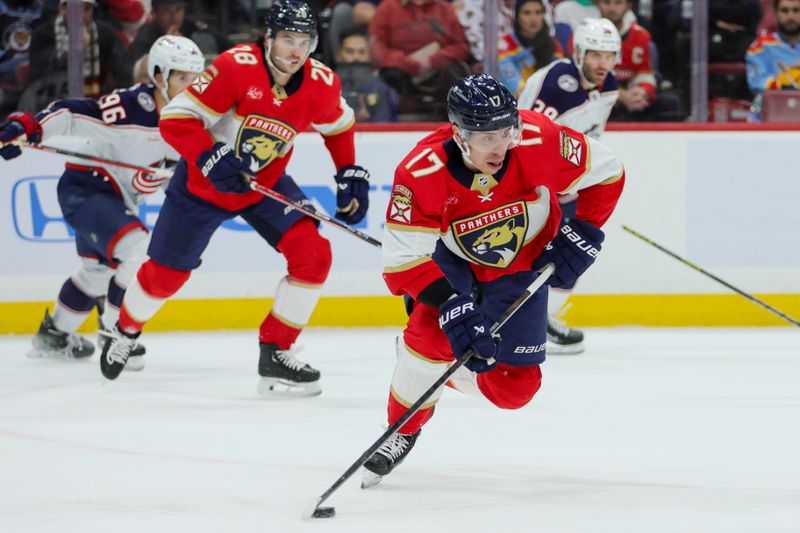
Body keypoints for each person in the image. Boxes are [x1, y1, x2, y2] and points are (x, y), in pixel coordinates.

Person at [97, 0, 370, 398]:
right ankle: (125, 330)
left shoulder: (321, 81)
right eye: (288, 40)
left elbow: (339, 125)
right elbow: (175, 119)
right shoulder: (234, 66)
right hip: (202, 188)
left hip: (265, 186)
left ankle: (276, 351)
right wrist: (209, 157)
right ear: (269, 38)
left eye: (304, 41)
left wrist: (348, 171)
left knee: (314, 254)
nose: (296, 50)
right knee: (163, 277)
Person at [362, 73, 624, 485]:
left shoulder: (539, 138)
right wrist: (451, 305)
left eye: (507, 131)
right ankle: (403, 426)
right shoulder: (421, 170)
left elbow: (608, 172)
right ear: (459, 134)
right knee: (428, 338)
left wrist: (586, 230)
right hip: (454, 263)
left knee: (517, 390)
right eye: (487, 137)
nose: (501, 146)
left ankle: (442, 366)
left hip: (523, 265)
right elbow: (402, 262)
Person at [0, 35, 204, 364]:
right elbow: (69, 112)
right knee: (139, 251)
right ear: (158, 75)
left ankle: (54, 335)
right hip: (86, 189)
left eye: (197, 79)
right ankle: (115, 333)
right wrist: (28, 127)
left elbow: (183, 183)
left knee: (96, 272)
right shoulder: (128, 108)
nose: (192, 87)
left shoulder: (194, 123)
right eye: (182, 77)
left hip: (116, 201)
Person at [517, 17, 620, 354]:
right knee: (523, 253)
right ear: (578, 52)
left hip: (570, 185)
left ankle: (544, 319)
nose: (603, 63)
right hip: (530, 184)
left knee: (575, 252)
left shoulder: (610, 86)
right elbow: (525, 138)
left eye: (609, 55)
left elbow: (592, 135)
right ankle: (514, 318)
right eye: (595, 55)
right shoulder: (557, 85)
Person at [27, 0, 131, 101]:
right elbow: (40, 76)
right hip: (52, 99)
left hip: (96, 98)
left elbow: (122, 70)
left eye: (86, 9)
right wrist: (73, 50)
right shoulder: (42, 35)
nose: (81, 15)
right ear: (62, 9)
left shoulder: (105, 33)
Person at [596, 0, 681, 121]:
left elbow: (646, 77)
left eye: (618, 3)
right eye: (606, 2)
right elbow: (585, 80)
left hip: (631, 99)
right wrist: (619, 95)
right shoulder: (586, 36)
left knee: (670, 103)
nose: (612, 8)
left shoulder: (641, 36)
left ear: (628, 6)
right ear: (598, 4)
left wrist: (642, 92)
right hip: (599, 99)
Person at [127, 0, 233, 64]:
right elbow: (133, 72)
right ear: (154, 13)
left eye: (178, 9)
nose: (173, 16)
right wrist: (165, 48)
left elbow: (230, 48)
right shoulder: (145, 37)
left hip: (201, 85)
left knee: (202, 38)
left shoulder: (193, 27)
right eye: (167, 11)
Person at [497, 0, 563, 95]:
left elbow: (559, 77)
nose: (533, 19)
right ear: (517, 17)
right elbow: (513, 84)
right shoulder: (505, 44)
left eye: (538, 12)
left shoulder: (553, 44)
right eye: (526, 13)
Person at [335, 24, 398, 122]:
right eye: (350, 51)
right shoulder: (326, 87)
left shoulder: (383, 90)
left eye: (362, 52)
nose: (356, 57)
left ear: (369, 55)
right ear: (339, 55)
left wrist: (367, 120)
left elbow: (385, 127)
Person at [746, 0, 800, 95]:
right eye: (784, 10)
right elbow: (756, 82)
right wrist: (784, 88)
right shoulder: (760, 46)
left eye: (796, 10)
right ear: (775, 14)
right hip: (775, 105)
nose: (791, 17)